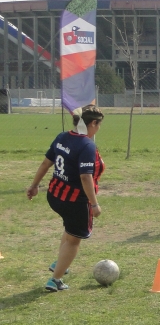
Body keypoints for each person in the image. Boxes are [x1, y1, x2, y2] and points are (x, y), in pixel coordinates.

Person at [26, 105, 106, 292]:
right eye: (99, 125)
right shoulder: (86, 145)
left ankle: (59, 263)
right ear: (93, 123)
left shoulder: (63, 137)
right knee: (74, 239)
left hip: (55, 196)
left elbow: (46, 163)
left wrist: (34, 185)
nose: (99, 128)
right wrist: (94, 204)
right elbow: (85, 177)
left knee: (69, 231)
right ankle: (55, 280)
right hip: (74, 201)